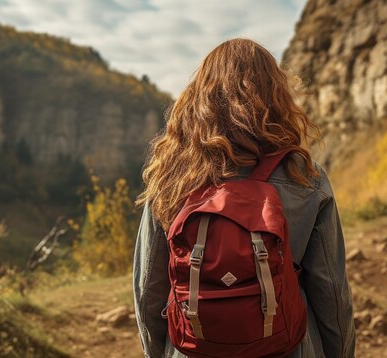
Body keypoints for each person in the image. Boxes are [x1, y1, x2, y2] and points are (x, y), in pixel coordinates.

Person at [133, 38, 355, 358]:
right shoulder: (305, 177)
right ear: (275, 96)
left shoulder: (172, 176)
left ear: (200, 99)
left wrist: (161, 352)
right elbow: (332, 291)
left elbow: (148, 290)